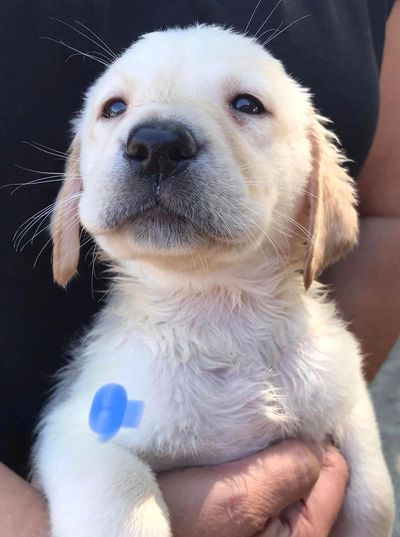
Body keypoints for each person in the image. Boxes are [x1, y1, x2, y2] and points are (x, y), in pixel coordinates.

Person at [0, 0, 398, 535]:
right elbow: (84, 442)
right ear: (78, 180)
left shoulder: (327, 362)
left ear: (315, 181)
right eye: (115, 109)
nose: (154, 144)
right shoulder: (120, 395)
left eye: (246, 104)